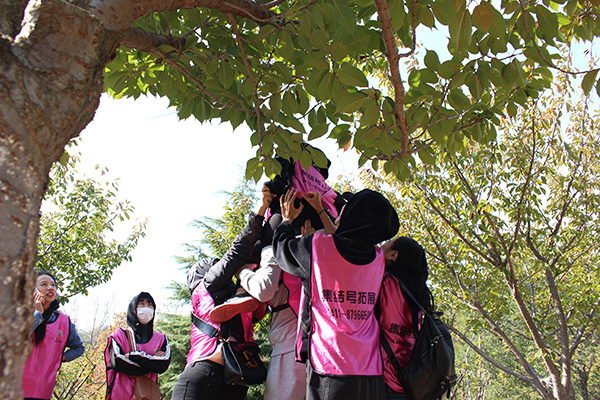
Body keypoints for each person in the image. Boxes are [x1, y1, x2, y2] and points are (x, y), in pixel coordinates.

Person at [273, 188, 400, 400]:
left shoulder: (317, 248)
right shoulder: (377, 258)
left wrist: (286, 220)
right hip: (370, 367)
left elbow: (281, 249)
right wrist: (320, 210)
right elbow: (343, 241)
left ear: (353, 216)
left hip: (330, 364)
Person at [171, 194, 270, 400]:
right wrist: (266, 215)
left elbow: (242, 253)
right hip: (237, 374)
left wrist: (261, 215)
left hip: (206, 370)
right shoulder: (207, 285)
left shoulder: (209, 294)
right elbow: (237, 254)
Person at [378, 237, 432, 400]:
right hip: (411, 378)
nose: (382, 245)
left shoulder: (384, 282)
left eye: (387, 243)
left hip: (384, 377)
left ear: (393, 255)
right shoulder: (419, 293)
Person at [22, 271, 85, 400]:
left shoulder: (64, 322)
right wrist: (38, 313)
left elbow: (79, 348)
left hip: (42, 391)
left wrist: (61, 357)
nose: (50, 288)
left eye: (53, 285)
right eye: (44, 284)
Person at [104, 292, 171, 399]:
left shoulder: (161, 339)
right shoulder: (120, 335)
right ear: (133, 309)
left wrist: (132, 356)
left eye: (150, 305)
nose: (146, 308)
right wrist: (151, 362)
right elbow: (117, 361)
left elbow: (163, 364)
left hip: (146, 396)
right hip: (120, 395)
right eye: (142, 304)